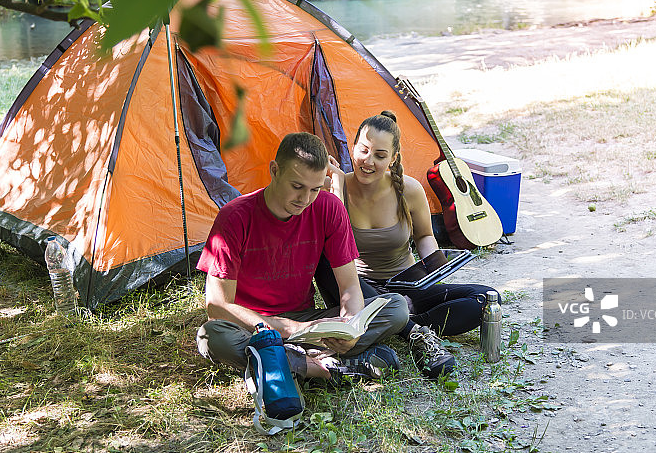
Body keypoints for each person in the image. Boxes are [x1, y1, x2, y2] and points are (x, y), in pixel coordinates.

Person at [196, 132, 409, 383]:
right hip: (254, 325)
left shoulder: (329, 207)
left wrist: (349, 327)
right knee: (211, 336)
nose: (304, 200)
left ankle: (287, 361)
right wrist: (288, 329)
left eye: (315, 189)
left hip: (306, 322)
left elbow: (350, 284)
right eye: (297, 186)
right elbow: (218, 307)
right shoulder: (235, 217)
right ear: (275, 171)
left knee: (396, 307)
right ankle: (325, 368)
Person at [321, 111, 497, 380]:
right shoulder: (337, 187)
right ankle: (414, 332)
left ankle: (401, 322)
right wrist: (336, 186)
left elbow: (425, 236)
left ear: (393, 158)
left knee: (485, 299)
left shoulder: (408, 189)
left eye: (380, 155)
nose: (368, 161)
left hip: (407, 286)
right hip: (360, 290)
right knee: (325, 260)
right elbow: (336, 245)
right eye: (363, 150)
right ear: (352, 147)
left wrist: (435, 265)